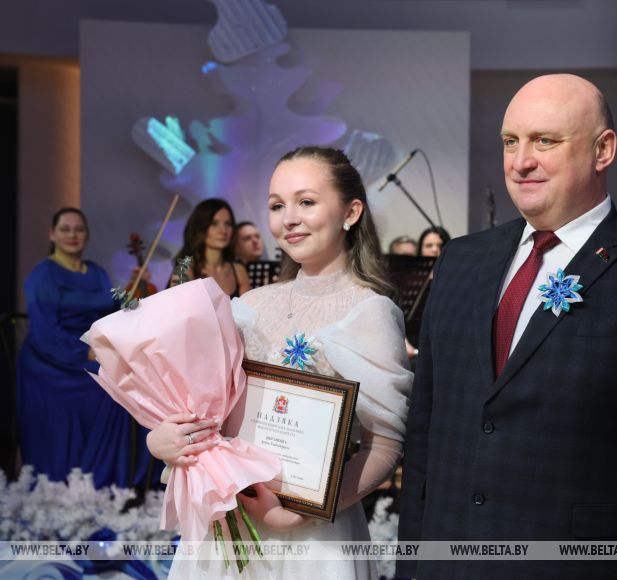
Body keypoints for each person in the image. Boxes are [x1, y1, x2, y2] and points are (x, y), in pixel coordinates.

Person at [398, 74, 617, 579]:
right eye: (510, 141)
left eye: (544, 141)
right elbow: (426, 437)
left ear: (603, 150)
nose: (520, 161)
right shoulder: (459, 262)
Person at [147, 147, 412, 578]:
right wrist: (166, 440)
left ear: (351, 212)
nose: (289, 218)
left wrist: (302, 512)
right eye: (276, 205)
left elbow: (384, 444)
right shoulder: (249, 306)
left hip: (312, 541)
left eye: (306, 202)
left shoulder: (369, 312)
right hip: (227, 524)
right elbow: (208, 412)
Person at [16, 208, 154, 488]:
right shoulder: (43, 275)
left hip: (89, 352)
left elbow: (113, 310)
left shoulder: (97, 273)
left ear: (87, 235)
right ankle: (95, 480)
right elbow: (45, 333)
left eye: (78, 229)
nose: (72, 235)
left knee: (135, 375)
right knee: (112, 385)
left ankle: (127, 479)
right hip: (50, 361)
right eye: (65, 229)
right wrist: (86, 352)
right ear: (52, 234)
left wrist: (134, 290)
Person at [171, 198, 251, 297]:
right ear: (200, 227)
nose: (223, 231)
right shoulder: (184, 269)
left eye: (228, 224)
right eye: (214, 224)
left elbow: (247, 306)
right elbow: (178, 305)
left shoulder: (239, 271)